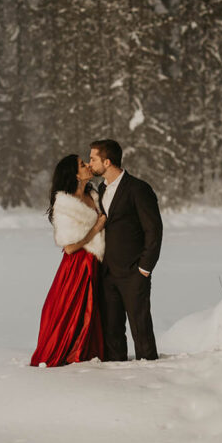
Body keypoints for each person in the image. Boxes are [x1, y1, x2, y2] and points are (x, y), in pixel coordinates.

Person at [89, 138, 163, 361]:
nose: (89, 163)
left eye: (93, 159)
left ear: (107, 161)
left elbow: (154, 230)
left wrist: (144, 267)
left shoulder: (138, 189)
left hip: (133, 272)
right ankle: (118, 380)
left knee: (141, 331)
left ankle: (150, 375)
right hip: (107, 272)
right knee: (112, 332)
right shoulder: (100, 189)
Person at [30, 154, 106, 367]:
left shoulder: (94, 194)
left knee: (95, 312)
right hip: (77, 266)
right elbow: (70, 247)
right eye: (83, 165)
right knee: (75, 312)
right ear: (74, 174)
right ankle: (74, 354)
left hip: (95, 262)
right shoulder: (64, 204)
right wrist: (96, 229)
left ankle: (91, 351)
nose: (88, 166)